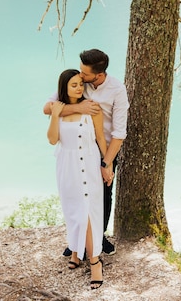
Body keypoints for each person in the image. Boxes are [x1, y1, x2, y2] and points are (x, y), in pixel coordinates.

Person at [44, 49, 129, 256]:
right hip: (77, 145)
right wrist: (78, 108)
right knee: (76, 193)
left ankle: (97, 239)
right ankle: (77, 240)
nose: (80, 76)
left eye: (85, 74)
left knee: (103, 194)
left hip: (104, 148)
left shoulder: (117, 90)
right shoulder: (78, 82)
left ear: (98, 75)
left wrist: (107, 163)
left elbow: (118, 134)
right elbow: (49, 108)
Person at [47, 69, 109, 290]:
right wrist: (55, 115)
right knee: (73, 209)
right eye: (73, 85)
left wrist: (107, 164)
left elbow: (101, 138)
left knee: (88, 211)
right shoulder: (58, 109)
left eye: (80, 84)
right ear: (63, 87)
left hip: (90, 164)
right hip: (67, 165)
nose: (78, 88)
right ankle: (75, 250)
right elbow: (53, 140)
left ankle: (95, 262)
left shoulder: (92, 108)